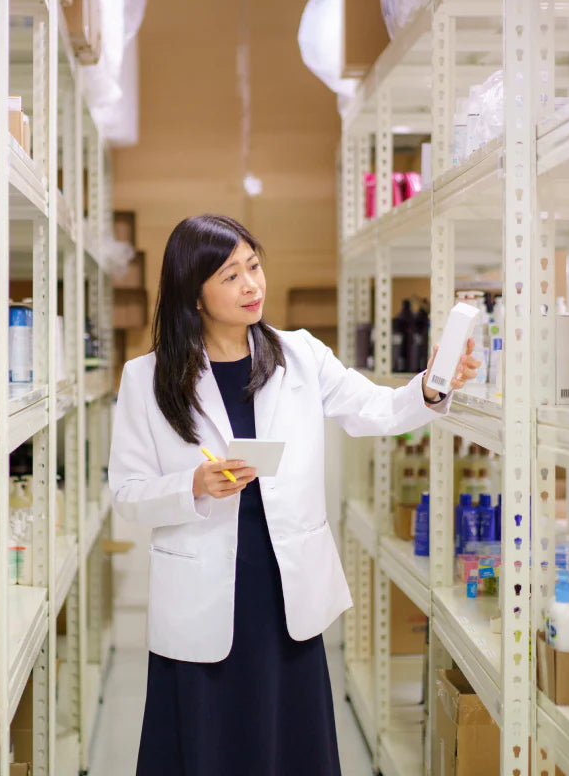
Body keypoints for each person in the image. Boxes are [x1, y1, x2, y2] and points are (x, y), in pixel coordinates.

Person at [109, 214, 480, 776]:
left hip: (284, 588)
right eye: (231, 276)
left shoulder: (301, 354)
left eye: (254, 266)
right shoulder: (147, 378)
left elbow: (374, 410)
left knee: (289, 743)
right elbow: (128, 493)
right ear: (196, 293)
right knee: (204, 743)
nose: (252, 285)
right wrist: (193, 485)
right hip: (205, 586)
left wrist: (430, 386)